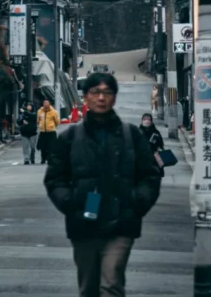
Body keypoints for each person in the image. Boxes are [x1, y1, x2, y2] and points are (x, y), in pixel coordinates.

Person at [44, 70, 162, 297]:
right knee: (88, 288)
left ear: (114, 98)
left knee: (111, 284)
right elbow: (55, 179)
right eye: (95, 92)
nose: (101, 98)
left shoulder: (132, 136)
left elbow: (150, 175)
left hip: (122, 223)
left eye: (107, 92)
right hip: (83, 223)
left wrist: (136, 203)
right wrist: (72, 204)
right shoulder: (70, 138)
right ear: (85, 97)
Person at [37, 96, 60, 164]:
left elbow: (57, 121)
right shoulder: (39, 111)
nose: (46, 104)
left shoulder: (54, 112)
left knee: (51, 147)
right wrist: (41, 126)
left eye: (47, 102)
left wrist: (52, 126)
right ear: (43, 104)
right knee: (43, 147)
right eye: (45, 103)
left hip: (51, 132)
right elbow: (38, 120)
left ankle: (51, 159)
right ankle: (43, 159)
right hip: (43, 132)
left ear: (49, 104)